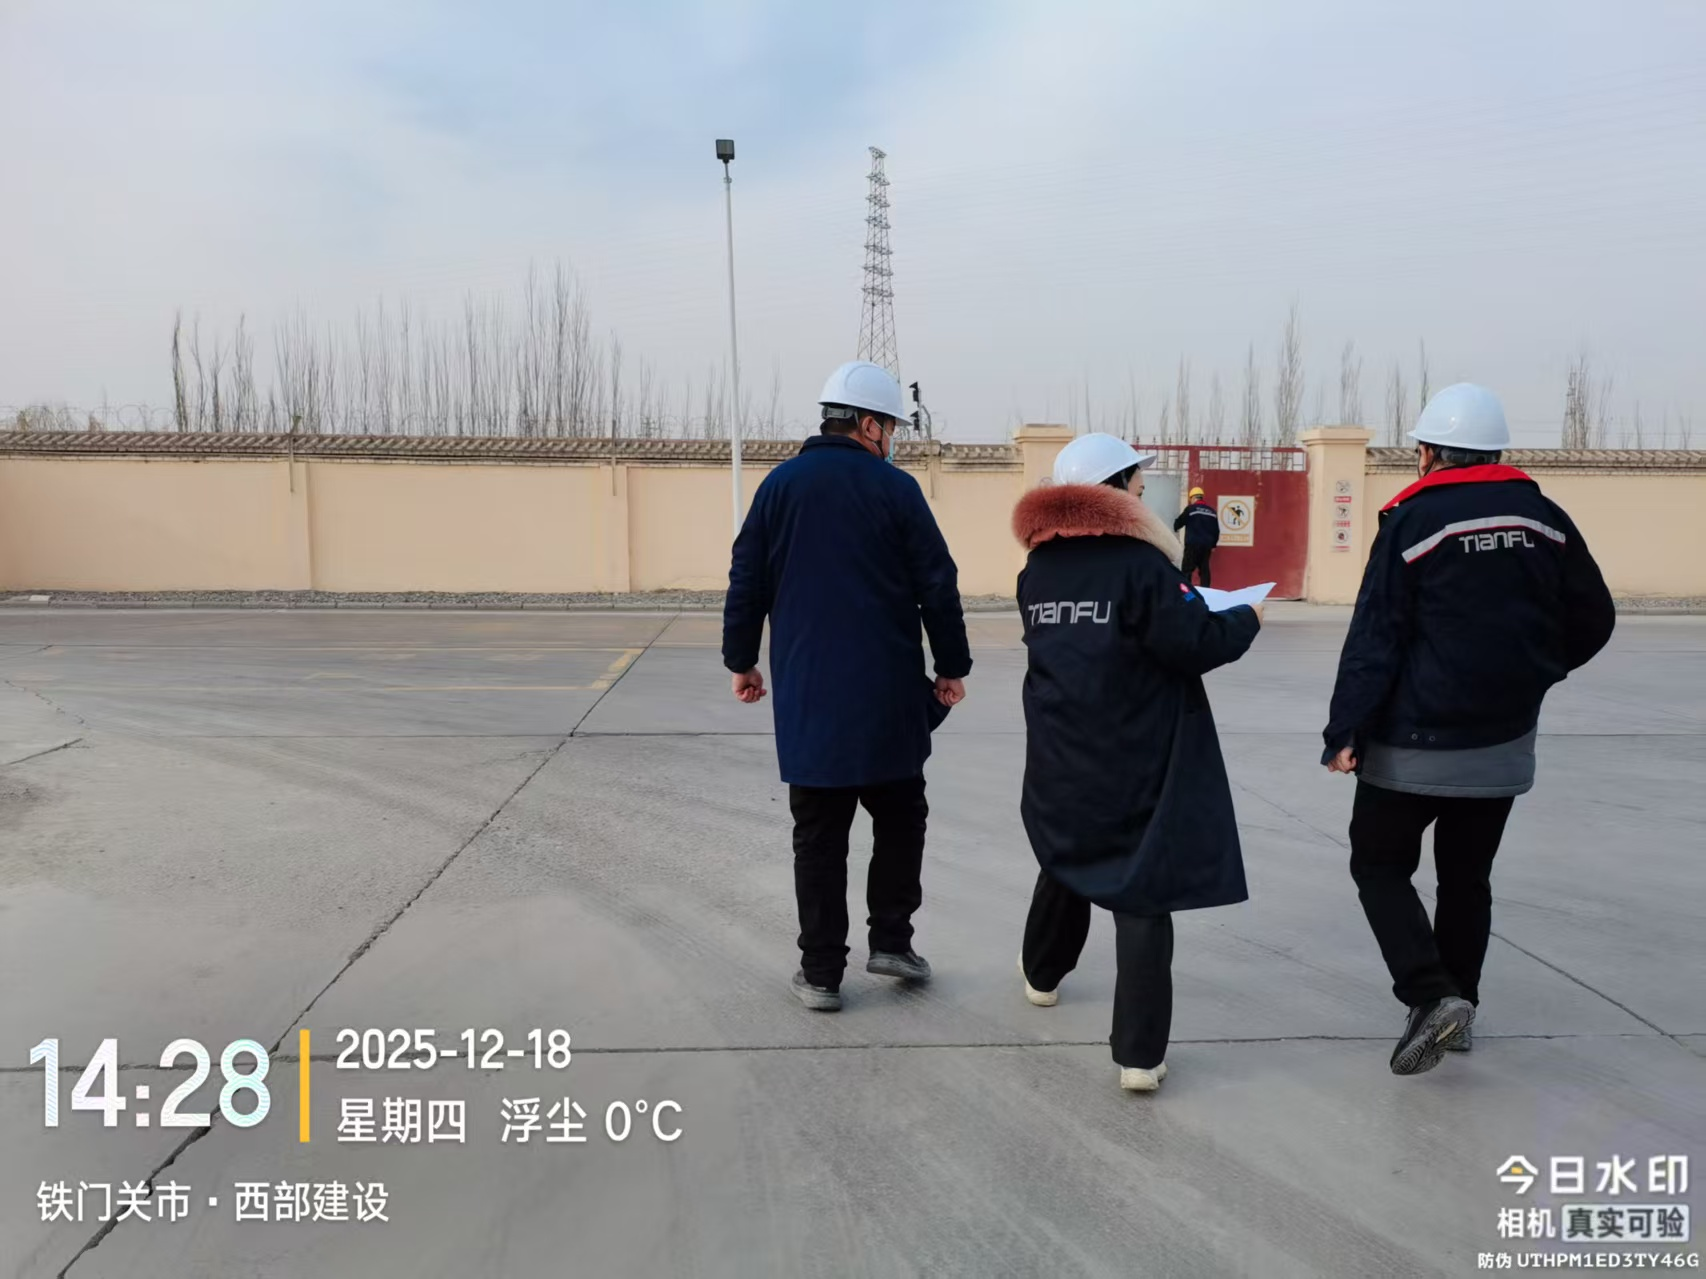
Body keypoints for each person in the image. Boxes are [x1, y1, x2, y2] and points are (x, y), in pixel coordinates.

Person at [1322, 383, 1615, 1076]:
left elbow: (1376, 636)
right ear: (1495, 453)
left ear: (1427, 452)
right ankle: (1461, 1011)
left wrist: (1346, 728)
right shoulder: (1546, 518)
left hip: (1412, 741)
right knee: (1466, 877)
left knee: (1379, 865)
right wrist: (1535, 672)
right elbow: (1594, 616)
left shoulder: (1412, 520)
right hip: (1502, 742)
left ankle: (1432, 996)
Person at [1012, 433, 1263, 1091]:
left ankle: (1041, 975)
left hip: (1060, 748)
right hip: (1134, 751)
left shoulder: (1038, 569)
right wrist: (1247, 617)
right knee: (1142, 889)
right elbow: (1193, 641)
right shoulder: (1141, 565)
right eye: (1138, 482)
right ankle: (1139, 1057)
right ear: (1116, 490)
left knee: (1066, 854)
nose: (1144, 492)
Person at [723, 360, 973, 1012]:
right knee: (901, 817)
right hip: (889, 695)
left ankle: (821, 974)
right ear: (867, 424)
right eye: (890, 426)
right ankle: (891, 941)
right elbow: (937, 582)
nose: (892, 439)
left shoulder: (779, 487)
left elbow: (747, 578)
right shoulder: (896, 490)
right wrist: (952, 666)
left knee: (819, 836)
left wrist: (741, 660)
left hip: (810, 698)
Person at [1173, 485, 1220, 587]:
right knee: (1204, 570)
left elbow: (1179, 522)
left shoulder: (1190, 509)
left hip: (1192, 544)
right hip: (1206, 545)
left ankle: (1187, 591)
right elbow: (1216, 530)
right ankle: (1206, 591)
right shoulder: (1212, 512)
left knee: (1187, 570)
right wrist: (1213, 545)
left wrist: (1175, 527)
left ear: (1193, 498)